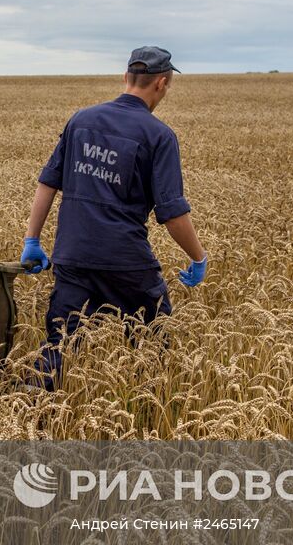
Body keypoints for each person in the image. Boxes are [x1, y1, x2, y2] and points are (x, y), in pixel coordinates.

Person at [19, 47, 207, 389]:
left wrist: (32, 239)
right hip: (127, 262)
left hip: (72, 256)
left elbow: (48, 181)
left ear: (125, 78)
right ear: (162, 84)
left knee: (60, 342)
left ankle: (27, 414)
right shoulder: (159, 136)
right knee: (153, 342)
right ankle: (146, 410)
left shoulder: (80, 120)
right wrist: (197, 257)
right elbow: (172, 211)